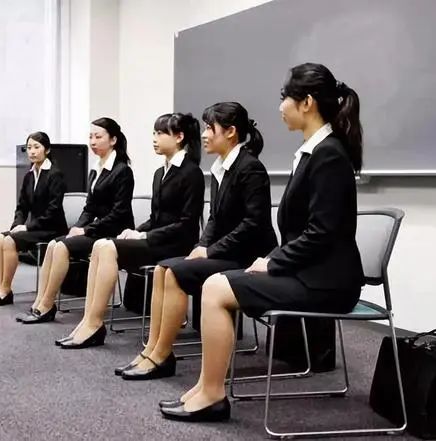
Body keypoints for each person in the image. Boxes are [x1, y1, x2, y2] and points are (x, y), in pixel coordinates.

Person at [160, 63, 364, 422]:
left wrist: (273, 262)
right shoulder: (315, 151)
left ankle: (212, 395)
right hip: (308, 272)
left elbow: (322, 232)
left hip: (326, 282)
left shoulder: (328, 154)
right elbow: (303, 232)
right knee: (216, 283)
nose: (280, 106)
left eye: (285, 97)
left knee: (216, 287)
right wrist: (274, 258)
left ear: (307, 103)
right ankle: (206, 387)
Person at [118, 102, 277, 380]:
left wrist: (211, 250)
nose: (203, 134)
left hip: (247, 255)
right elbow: (214, 218)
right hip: (226, 251)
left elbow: (253, 224)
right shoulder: (221, 168)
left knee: (176, 273)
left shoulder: (250, 168)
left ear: (230, 132)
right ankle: (152, 349)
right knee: (163, 270)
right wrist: (202, 246)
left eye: (209, 128)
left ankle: (162, 355)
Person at [56, 113, 204, 349]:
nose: (154, 138)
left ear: (179, 137)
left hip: (175, 244)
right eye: (154, 133)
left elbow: (186, 224)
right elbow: (156, 218)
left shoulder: (191, 173)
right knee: (101, 245)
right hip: (157, 240)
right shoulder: (160, 172)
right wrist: (134, 231)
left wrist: (144, 235)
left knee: (106, 246)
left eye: (160, 133)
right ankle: (89, 321)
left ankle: (94, 324)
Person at [17, 117, 135, 324]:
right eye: (90, 137)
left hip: (113, 231)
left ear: (113, 140)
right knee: (53, 245)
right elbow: (89, 208)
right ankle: (39, 302)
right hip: (97, 229)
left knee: (62, 247)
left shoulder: (122, 171)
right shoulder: (96, 169)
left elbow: (119, 212)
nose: (92, 141)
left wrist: (87, 230)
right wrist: (78, 227)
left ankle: (47, 305)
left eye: (98, 137)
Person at [0, 132, 68, 307]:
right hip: (36, 227)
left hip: (51, 228)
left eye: (36, 147)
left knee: (10, 241)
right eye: (29, 148)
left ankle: (5, 290)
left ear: (47, 150)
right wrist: (17, 225)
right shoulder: (29, 176)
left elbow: (53, 211)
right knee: (1, 238)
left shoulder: (55, 174)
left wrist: (27, 227)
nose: (32, 151)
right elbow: (21, 207)